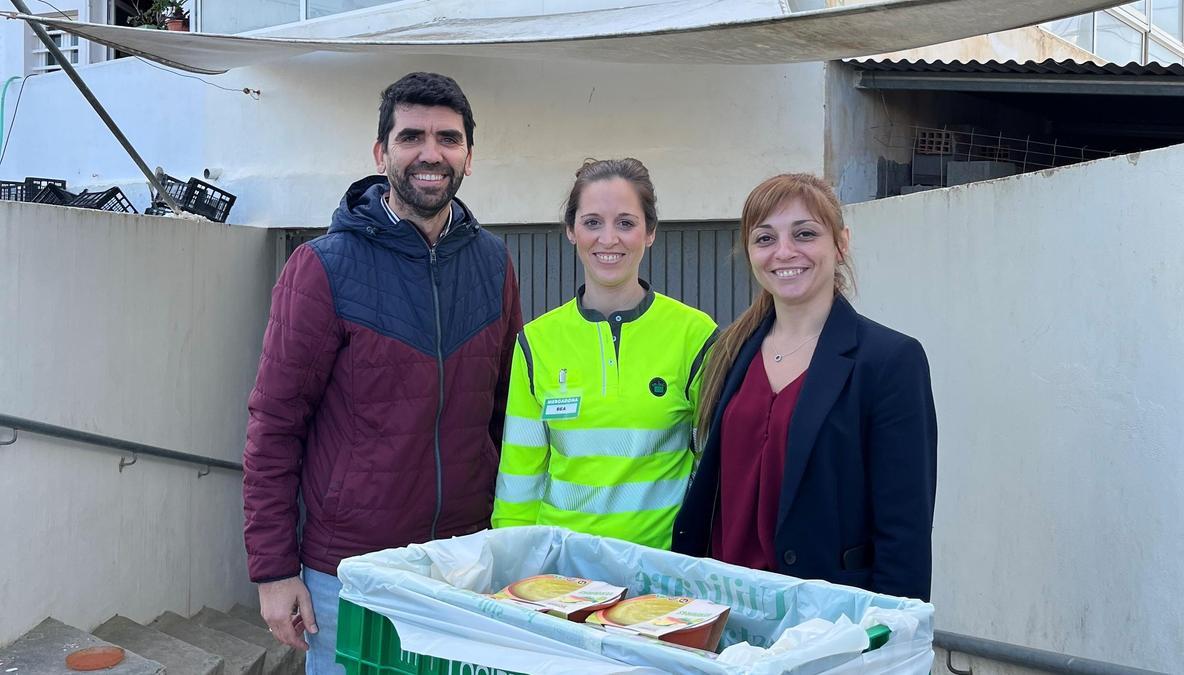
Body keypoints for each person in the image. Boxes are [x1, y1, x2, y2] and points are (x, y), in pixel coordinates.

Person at [242, 72, 522, 672]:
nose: (431, 153)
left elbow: (505, 412)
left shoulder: (494, 264)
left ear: (468, 157)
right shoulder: (321, 267)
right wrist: (273, 571)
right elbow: (274, 425)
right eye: (411, 136)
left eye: (448, 138)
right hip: (350, 573)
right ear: (381, 153)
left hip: (462, 565)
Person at [672, 173, 936, 601]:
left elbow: (904, 530)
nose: (784, 252)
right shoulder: (729, 351)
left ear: (841, 243)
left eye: (805, 233)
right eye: (765, 238)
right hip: (722, 610)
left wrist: (889, 640)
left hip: (827, 621)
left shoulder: (889, 361)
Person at [491, 158, 717, 549]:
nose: (608, 238)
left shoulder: (695, 335)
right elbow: (519, 483)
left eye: (626, 223)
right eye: (592, 222)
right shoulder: (536, 341)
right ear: (571, 231)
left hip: (660, 581)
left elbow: (712, 472)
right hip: (560, 581)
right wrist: (514, 573)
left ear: (650, 233)